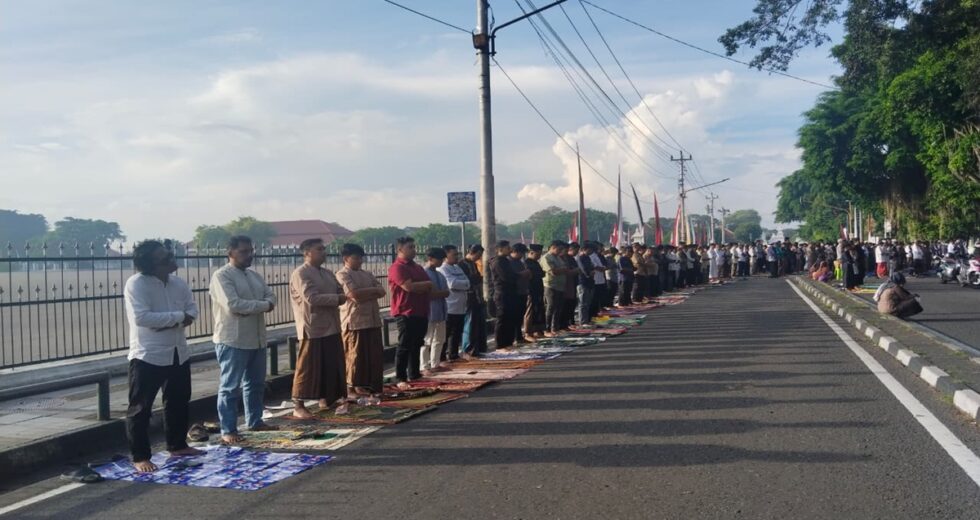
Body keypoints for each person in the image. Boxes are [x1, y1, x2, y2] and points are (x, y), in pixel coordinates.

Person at [124, 240, 202, 473]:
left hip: (178, 351)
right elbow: (143, 319)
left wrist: (170, 320)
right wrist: (178, 318)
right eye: (165, 258)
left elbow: (193, 310)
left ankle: (177, 445)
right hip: (148, 354)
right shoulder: (137, 284)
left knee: (178, 401)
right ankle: (140, 456)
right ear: (151, 264)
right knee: (141, 408)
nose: (171, 259)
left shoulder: (178, 283)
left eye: (170, 255)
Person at [209, 235, 277, 444]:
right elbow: (234, 306)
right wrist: (262, 305)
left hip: (256, 337)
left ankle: (254, 421)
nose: (249, 255)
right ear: (231, 253)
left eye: (250, 251)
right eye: (244, 251)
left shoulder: (254, 276)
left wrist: (259, 305)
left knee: (255, 384)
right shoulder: (222, 276)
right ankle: (228, 429)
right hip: (233, 339)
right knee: (230, 387)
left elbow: (271, 297)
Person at [290, 238, 348, 419]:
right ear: (307, 253)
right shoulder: (301, 274)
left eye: (324, 249)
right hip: (312, 326)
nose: (324, 252)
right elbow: (312, 298)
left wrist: (339, 297)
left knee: (330, 363)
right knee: (308, 366)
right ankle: (298, 404)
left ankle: (327, 398)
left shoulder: (328, 273)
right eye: (319, 249)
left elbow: (341, 291)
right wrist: (337, 299)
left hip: (332, 324)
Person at [336, 243, 387, 402]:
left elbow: (382, 291)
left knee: (374, 355)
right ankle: (351, 387)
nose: (360, 261)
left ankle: (370, 386)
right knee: (355, 355)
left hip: (372, 319)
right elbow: (353, 294)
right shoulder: (342, 274)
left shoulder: (367, 274)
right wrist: (372, 291)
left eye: (361, 258)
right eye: (356, 258)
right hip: (355, 320)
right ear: (346, 258)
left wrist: (367, 292)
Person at [388, 236, 433, 389]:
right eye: (410, 247)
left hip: (421, 310)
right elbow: (408, 287)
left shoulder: (417, 267)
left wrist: (419, 285)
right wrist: (421, 285)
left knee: (417, 343)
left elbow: (429, 285)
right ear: (400, 249)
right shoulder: (397, 267)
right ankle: (400, 376)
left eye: (414, 247)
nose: (414, 250)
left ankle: (414, 373)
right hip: (405, 311)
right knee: (404, 344)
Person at [437, 245, 470, 362]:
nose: (457, 257)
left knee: (457, 332)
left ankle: (454, 355)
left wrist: (463, 284)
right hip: (450, 306)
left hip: (460, 306)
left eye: (457, 254)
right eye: (454, 254)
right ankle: (441, 358)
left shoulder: (457, 268)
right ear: (446, 256)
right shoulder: (443, 269)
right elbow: (452, 284)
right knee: (446, 334)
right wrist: (464, 284)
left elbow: (467, 282)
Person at [421, 248, 451, 375]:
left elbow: (447, 292)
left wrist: (439, 293)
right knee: (426, 340)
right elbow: (428, 295)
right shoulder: (423, 274)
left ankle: (435, 363)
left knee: (439, 339)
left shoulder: (440, 275)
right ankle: (424, 366)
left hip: (441, 310)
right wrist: (440, 293)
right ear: (430, 259)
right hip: (429, 311)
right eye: (439, 259)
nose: (441, 262)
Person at [489, 240, 519, 349]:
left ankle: (508, 342)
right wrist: (519, 275)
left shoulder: (506, 260)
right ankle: (500, 345)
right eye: (507, 247)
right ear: (500, 249)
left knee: (510, 318)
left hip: (510, 292)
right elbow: (506, 277)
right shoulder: (497, 262)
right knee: (502, 319)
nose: (510, 249)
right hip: (502, 293)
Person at [459, 245, 487, 357]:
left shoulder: (473, 264)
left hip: (478, 297)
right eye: (478, 255)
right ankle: (468, 349)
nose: (479, 257)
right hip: (469, 298)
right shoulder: (462, 265)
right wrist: (477, 279)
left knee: (479, 324)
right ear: (472, 253)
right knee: (469, 324)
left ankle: (478, 347)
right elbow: (468, 281)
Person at [541, 240, 568, 337]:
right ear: (552, 247)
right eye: (559, 249)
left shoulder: (558, 258)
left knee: (558, 308)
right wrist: (563, 270)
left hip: (560, 286)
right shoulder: (546, 257)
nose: (560, 251)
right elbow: (553, 271)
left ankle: (555, 328)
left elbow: (565, 268)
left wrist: (562, 270)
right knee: (550, 307)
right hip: (551, 285)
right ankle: (547, 329)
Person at [524, 244, 547, 340]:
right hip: (531, 289)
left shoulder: (536, 263)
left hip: (539, 288)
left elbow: (541, 273)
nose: (539, 256)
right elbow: (530, 275)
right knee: (530, 311)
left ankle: (538, 330)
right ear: (531, 253)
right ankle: (528, 332)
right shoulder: (526, 263)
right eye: (538, 254)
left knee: (539, 310)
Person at [509, 243, 531, 344]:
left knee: (520, 315)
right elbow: (513, 276)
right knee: (514, 315)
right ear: (516, 252)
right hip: (514, 292)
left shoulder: (520, 262)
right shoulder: (509, 262)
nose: (522, 256)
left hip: (523, 291)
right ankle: (514, 337)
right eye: (522, 253)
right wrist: (524, 273)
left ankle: (519, 336)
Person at [575, 242, 596, 325]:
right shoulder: (580, 258)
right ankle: (583, 321)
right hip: (583, 281)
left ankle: (587, 320)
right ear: (585, 249)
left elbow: (592, 266)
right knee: (583, 303)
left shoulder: (588, 258)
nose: (591, 252)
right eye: (590, 250)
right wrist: (588, 273)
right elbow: (582, 269)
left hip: (590, 282)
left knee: (588, 302)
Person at [561, 243, 580, 330]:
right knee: (564, 305)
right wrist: (574, 270)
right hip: (564, 284)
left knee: (572, 303)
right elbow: (567, 270)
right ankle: (564, 324)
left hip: (572, 282)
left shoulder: (570, 258)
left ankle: (570, 322)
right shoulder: (561, 258)